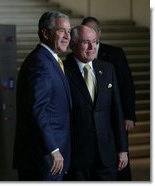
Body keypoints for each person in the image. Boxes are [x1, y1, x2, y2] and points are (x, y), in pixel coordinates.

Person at [13, 11, 72, 181]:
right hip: (45, 158)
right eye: (62, 31)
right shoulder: (41, 64)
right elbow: (37, 110)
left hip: (52, 157)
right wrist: (53, 149)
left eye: (69, 31)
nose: (67, 36)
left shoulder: (50, 60)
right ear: (45, 33)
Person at [63, 25, 128, 181]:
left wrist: (122, 149)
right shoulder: (63, 71)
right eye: (86, 42)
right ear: (72, 44)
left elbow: (116, 111)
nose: (92, 47)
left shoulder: (107, 69)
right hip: (77, 157)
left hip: (106, 155)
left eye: (95, 41)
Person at [81, 16, 136, 181]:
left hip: (115, 116)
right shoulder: (78, 55)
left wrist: (129, 115)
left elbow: (127, 85)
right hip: (95, 119)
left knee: (121, 158)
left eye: (92, 31)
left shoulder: (115, 53)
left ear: (99, 33)